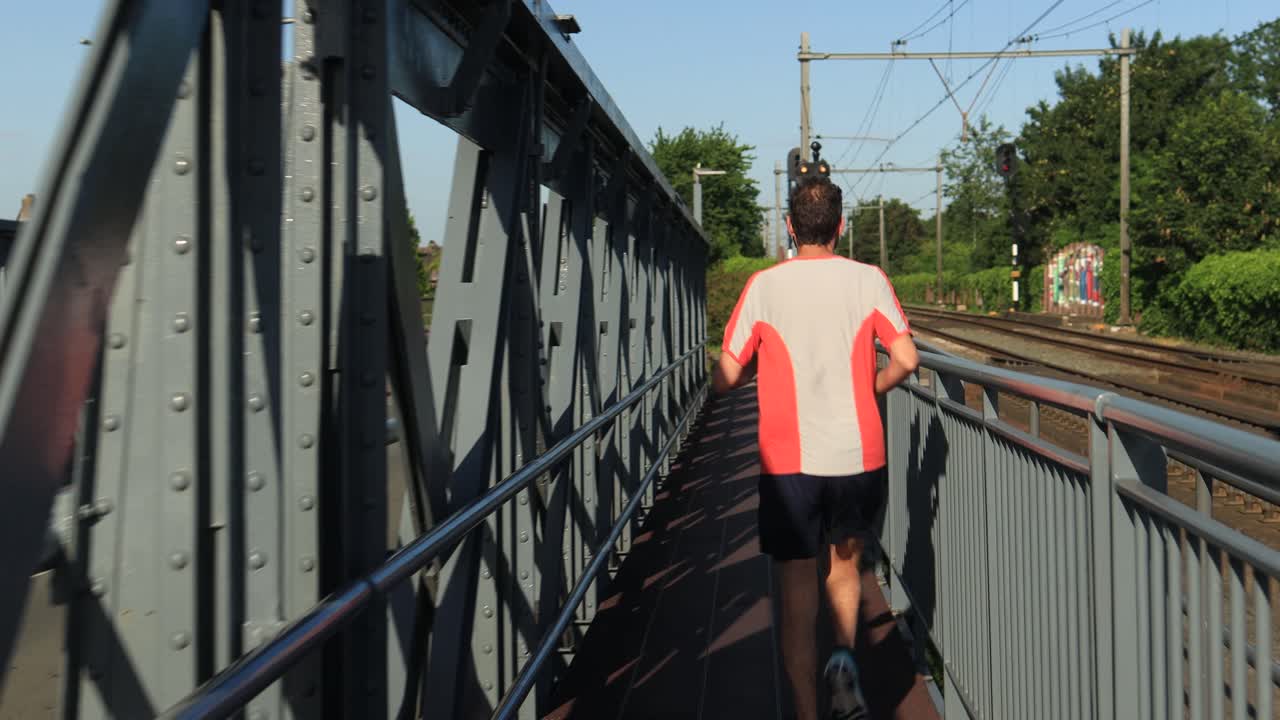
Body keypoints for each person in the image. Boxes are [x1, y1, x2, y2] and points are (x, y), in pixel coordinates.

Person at [711, 175, 919, 720]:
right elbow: (907, 359)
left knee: (797, 587)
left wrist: (752, 367)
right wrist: (869, 387)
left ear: (788, 226)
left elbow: (727, 375)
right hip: (859, 455)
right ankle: (845, 659)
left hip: (789, 466)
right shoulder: (869, 280)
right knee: (846, 566)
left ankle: (806, 712)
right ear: (841, 226)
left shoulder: (763, 287)